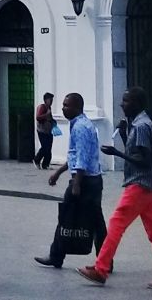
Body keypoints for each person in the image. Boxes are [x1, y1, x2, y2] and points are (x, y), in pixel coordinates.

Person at [79, 87, 152, 291]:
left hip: (139, 184)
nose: (121, 104)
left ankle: (100, 269)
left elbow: (143, 160)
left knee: (116, 223)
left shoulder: (142, 126)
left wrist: (117, 152)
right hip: (147, 186)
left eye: (126, 101)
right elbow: (136, 152)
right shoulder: (138, 125)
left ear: (136, 103)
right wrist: (125, 135)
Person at [36, 92, 106, 268]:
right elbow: (76, 155)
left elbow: (82, 157)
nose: (63, 108)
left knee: (66, 215)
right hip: (93, 179)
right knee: (97, 222)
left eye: (67, 105)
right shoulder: (82, 124)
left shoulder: (80, 127)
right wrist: (58, 172)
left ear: (77, 107)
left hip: (85, 181)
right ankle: (106, 260)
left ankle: (56, 256)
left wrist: (76, 183)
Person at [34, 92, 56, 169]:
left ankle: (45, 164)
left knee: (49, 148)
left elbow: (50, 118)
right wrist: (46, 114)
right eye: (50, 100)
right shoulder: (42, 107)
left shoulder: (49, 108)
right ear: (46, 100)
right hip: (42, 130)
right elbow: (38, 117)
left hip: (48, 130)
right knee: (45, 147)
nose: (52, 101)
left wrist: (53, 121)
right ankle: (37, 159)